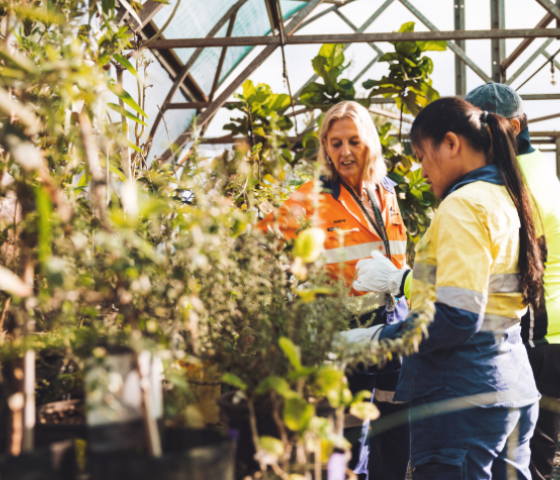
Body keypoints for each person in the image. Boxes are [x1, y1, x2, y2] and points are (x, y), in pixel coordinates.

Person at [353, 97, 543, 479]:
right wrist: (404, 281)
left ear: (452, 144)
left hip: (460, 398)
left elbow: (456, 317)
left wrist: (368, 340)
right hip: (509, 386)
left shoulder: (463, 205)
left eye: (422, 156)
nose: (421, 170)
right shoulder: (506, 196)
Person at [257, 100, 410, 480]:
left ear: (369, 144)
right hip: (345, 333)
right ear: (325, 145)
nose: (344, 152)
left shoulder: (386, 192)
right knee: (345, 435)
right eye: (336, 142)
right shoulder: (312, 197)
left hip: (393, 330)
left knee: (394, 430)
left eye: (353, 142)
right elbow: (259, 243)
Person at [465, 82, 560, 480]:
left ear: (514, 127)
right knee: (536, 450)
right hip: (550, 333)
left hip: (540, 334)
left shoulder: (517, 185)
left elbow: (496, 270)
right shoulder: (539, 172)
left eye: (481, 127)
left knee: (526, 455)